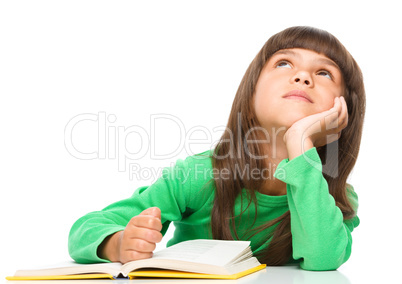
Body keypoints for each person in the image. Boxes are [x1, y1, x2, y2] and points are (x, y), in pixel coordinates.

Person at [68, 26, 365, 271]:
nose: (302, 77)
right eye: (283, 63)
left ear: (343, 112)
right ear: (251, 94)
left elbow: (324, 259)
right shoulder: (198, 176)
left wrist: (300, 141)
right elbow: (86, 228)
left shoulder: (334, 198)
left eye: (324, 73)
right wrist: (118, 243)